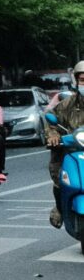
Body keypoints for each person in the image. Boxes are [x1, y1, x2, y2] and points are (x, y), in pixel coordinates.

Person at [42, 60, 84, 225]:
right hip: (73, 152)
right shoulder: (67, 104)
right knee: (61, 178)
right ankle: (60, 206)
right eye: (82, 80)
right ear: (76, 81)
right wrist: (53, 135)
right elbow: (52, 122)